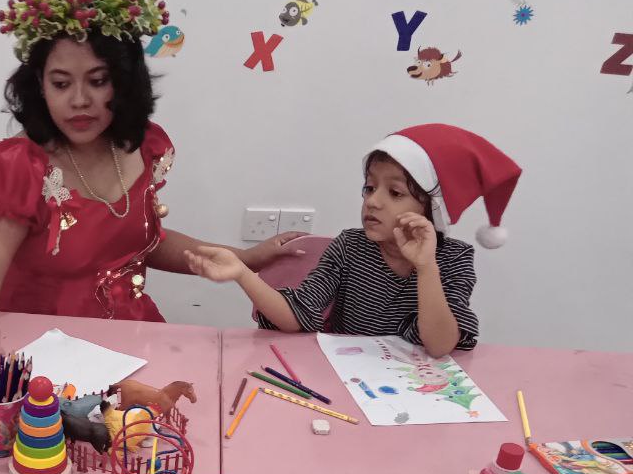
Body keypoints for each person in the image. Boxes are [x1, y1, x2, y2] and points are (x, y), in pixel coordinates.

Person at [0, 0, 302, 333]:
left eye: (98, 81)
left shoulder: (144, 147)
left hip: (130, 335)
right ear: (40, 88)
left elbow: (139, 241)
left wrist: (246, 259)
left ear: (123, 82)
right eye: (61, 83)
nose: (79, 100)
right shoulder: (14, 168)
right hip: (42, 350)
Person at [186, 124, 521, 356]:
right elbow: (297, 314)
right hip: (346, 380)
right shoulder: (350, 246)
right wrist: (241, 272)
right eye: (369, 187)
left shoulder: (453, 259)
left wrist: (425, 266)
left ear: (431, 209)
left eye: (394, 192)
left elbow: (439, 345)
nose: (373, 201)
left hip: (415, 392)